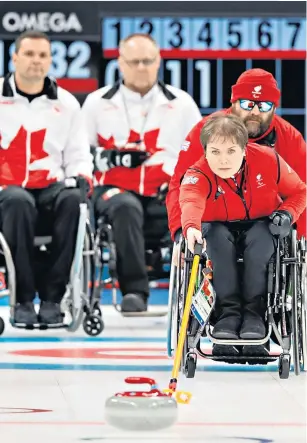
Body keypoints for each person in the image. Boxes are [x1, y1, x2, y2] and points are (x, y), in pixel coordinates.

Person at [82, 33, 202, 313]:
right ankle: (134, 291)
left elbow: (201, 154)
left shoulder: (182, 104)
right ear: (120, 63)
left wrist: (182, 182)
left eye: (147, 61)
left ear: (158, 61)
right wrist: (110, 158)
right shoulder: (96, 102)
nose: (141, 67)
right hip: (114, 190)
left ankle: (199, 291)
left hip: (166, 189)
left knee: (195, 206)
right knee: (125, 206)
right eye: (134, 61)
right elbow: (79, 153)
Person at [179, 114, 306, 357]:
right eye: (215, 152)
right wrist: (191, 227)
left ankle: (255, 314)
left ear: (244, 150)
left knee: (262, 237)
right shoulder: (198, 172)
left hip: (261, 223)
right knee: (215, 238)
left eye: (231, 151)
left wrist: (287, 215)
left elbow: (300, 192)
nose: (223, 160)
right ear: (205, 151)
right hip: (217, 227)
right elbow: (190, 200)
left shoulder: (268, 160)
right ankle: (227, 313)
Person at [0, 31, 93, 325]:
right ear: (14, 58)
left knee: (73, 200)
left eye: (43, 55)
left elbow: (78, 153)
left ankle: (53, 298)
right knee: (17, 201)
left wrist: (80, 176)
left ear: (51, 60)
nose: (36, 61)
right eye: (29, 54)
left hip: (50, 187)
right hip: (7, 191)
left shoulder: (66, 104)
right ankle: (23, 299)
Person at [167, 69, 306, 242]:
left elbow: (301, 191)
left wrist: (301, 239)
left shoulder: (290, 139)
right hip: (214, 223)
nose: (255, 112)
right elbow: (181, 184)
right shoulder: (205, 131)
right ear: (233, 102)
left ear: (274, 108)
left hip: (266, 226)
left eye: (264, 105)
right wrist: (181, 231)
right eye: (248, 104)